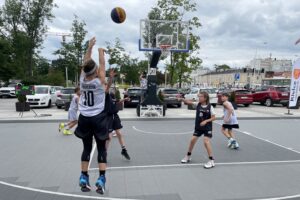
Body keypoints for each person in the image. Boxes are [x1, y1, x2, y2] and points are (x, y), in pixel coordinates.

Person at [74, 37, 108, 194]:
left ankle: (83, 176)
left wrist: (89, 48)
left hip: (84, 118)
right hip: (98, 118)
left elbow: (86, 62)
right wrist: (101, 51)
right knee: (101, 148)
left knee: (86, 147)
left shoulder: (82, 80)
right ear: (95, 71)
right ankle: (101, 179)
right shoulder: (99, 82)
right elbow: (102, 65)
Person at [178, 91, 216, 169]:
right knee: (192, 140)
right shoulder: (197, 104)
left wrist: (206, 121)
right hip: (198, 127)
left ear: (205, 98)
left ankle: (211, 160)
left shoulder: (210, 107)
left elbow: (214, 117)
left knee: (206, 142)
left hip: (207, 128)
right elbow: (188, 102)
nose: (199, 97)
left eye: (201, 96)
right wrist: (182, 99)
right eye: (199, 96)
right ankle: (188, 156)